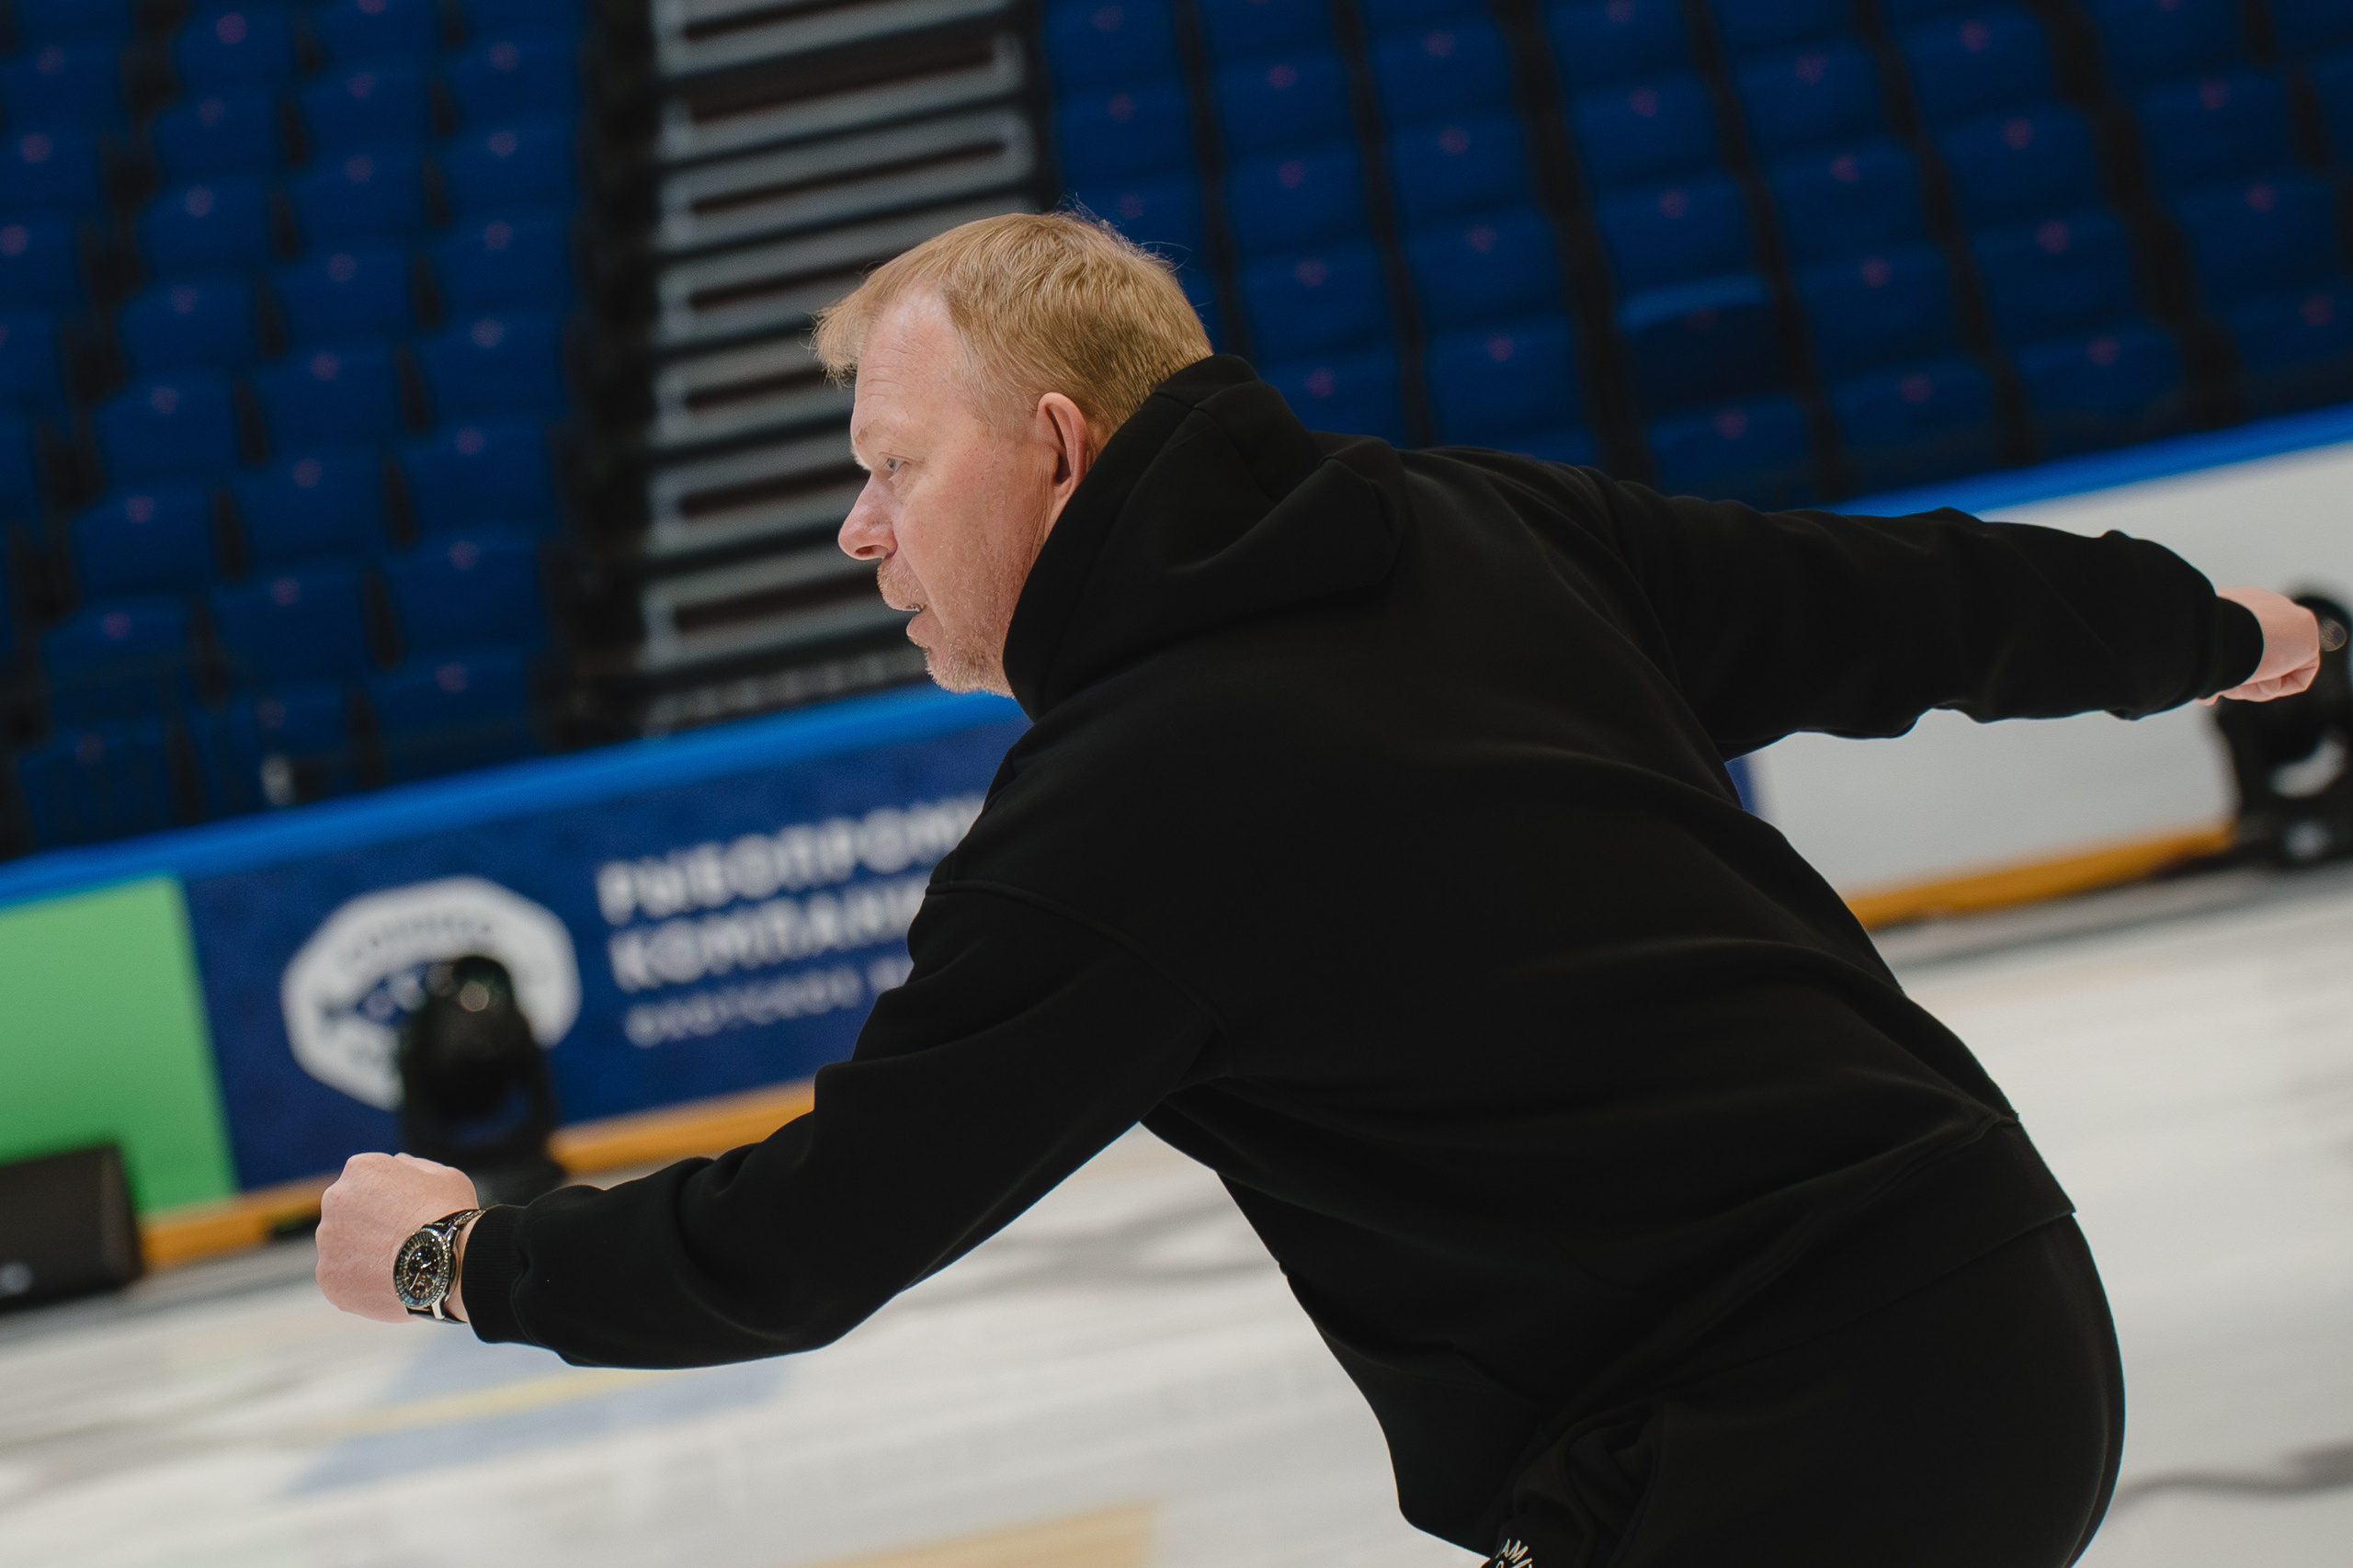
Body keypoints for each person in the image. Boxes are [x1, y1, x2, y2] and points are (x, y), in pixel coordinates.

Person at [317, 212, 2323, 1566]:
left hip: (1760, 1451)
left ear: (1051, 446)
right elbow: (1887, 609)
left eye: (889, 467)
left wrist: (456, 1259)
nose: (857, 529)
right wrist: (2201, 631)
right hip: (1991, 1303)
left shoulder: (1124, 808)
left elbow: (804, 1238)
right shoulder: (1470, 525)